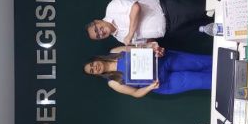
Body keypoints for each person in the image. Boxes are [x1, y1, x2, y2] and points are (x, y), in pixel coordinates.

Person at [84, 42, 212, 98]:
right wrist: (150, 87)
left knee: (201, 61)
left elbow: (139, 48)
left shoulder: (114, 52)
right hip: (163, 82)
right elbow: (135, 93)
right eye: (92, 71)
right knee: (201, 81)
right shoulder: (113, 82)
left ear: (96, 59)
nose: (94, 68)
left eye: (92, 64)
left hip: (164, 60)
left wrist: (152, 47)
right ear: (96, 74)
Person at [86, 0, 210, 45]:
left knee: (208, 8)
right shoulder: (119, 38)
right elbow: (147, 40)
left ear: (97, 21)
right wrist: (153, 47)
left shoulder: (112, 7)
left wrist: (130, 34)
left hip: (169, 11)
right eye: (98, 36)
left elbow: (136, 8)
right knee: (208, 27)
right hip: (171, 32)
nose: (100, 33)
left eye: (97, 29)